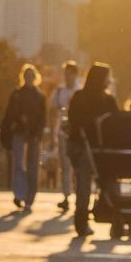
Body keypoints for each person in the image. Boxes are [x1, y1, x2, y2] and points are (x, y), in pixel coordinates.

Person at [66, 63, 120, 237]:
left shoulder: (79, 96)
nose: (110, 81)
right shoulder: (107, 100)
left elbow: (73, 119)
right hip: (91, 146)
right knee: (98, 182)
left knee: (83, 184)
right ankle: (113, 216)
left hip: (83, 145)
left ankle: (81, 220)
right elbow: (115, 122)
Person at [0, 64, 46, 211]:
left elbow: (43, 118)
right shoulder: (17, 94)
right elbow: (9, 115)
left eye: (31, 76)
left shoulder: (39, 96)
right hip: (19, 132)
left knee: (33, 167)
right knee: (18, 165)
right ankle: (19, 194)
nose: (29, 79)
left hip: (34, 135)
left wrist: (38, 134)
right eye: (27, 76)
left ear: (35, 78)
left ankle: (29, 198)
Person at [48, 61, 81, 211]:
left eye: (70, 73)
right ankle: (67, 196)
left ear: (75, 74)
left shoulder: (80, 91)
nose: (67, 76)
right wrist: (52, 132)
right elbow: (53, 111)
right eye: (65, 73)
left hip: (78, 133)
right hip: (62, 133)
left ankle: (80, 195)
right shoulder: (59, 91)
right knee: (65, 165)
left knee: (78, 166)